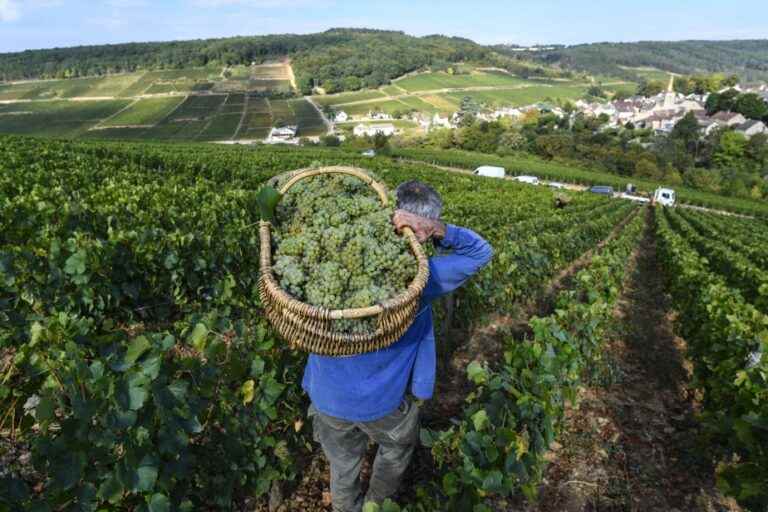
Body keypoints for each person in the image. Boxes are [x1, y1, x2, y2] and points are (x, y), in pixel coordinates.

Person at [302, 180, 493, 512]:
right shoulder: (421, 280)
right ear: (421, 230)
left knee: (343, 463)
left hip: (327, 394)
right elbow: (481, 252)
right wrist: (439, 230)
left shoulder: (320, 263)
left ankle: (346, 508)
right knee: (397, 448)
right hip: (383, 402)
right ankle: (376, 504)